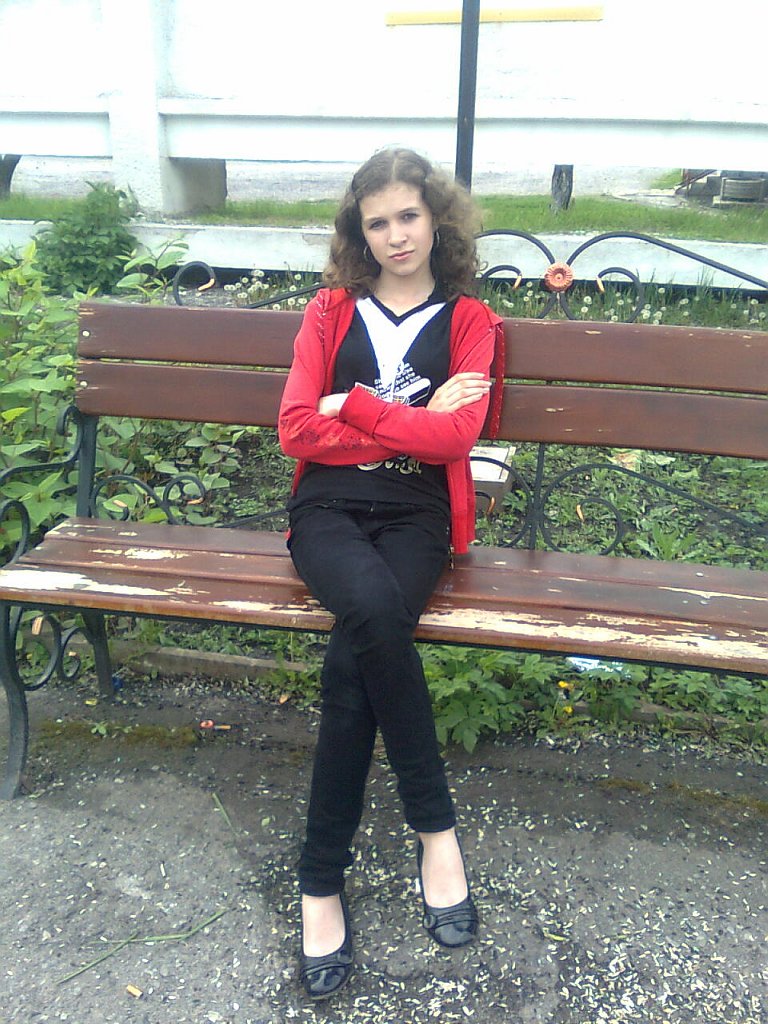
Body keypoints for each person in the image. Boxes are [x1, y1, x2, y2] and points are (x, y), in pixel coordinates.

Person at [277, 147, 504, 1001]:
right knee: (371, 612)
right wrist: (410, 418)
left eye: (409, 216)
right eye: (377, 223)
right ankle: (436, 831)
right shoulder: (330, 311)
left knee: (356, 649)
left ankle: (319, 879)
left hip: (417, 515)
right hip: (327, 511)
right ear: (359, 232)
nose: (395, 235)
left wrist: (357, 406)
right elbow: (296, 429)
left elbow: (455, 440)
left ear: (436, 219)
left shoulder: (472, 320)